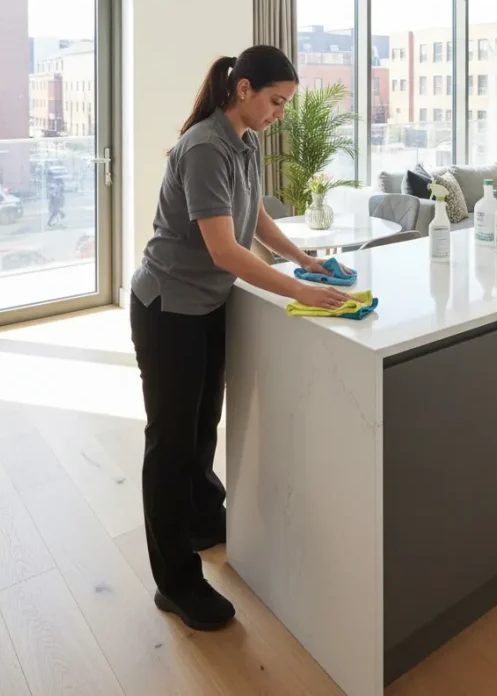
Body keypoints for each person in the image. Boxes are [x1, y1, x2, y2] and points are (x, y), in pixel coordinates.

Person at [130, 45, 350, 632]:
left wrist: (306, 259)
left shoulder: (244, 143)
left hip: (204, 306)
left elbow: (250, 217)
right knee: (171, 444)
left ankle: (203, 524)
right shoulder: (204, 146)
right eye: (276, 101)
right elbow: (223, 249)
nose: (280, 112)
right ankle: (174, 581)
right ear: (244, 89)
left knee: (203, 426)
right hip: (167, 306)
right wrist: (296, 292)